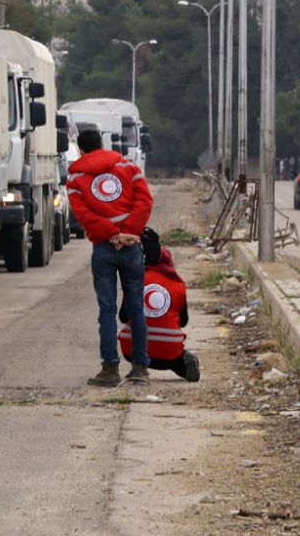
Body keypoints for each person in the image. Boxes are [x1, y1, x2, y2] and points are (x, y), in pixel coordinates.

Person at [67, 129, 153, 386]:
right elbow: (145, 201)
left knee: (107, 310)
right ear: (102, 145)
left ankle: (110, 369)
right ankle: (140, 368)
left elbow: (84, 216)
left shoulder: (75, 178)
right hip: (131, 245)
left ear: (81, 150)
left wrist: (113, 235)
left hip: (104, 248)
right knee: (137, 308)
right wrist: (128, 232)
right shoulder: (128, 166)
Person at [118, 232, 200, 382]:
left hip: (131, 351)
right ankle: (183, 366)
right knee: (176, 359)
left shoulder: (134, 279)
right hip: (168, 353)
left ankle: (139, 368)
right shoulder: (178, 285)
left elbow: (123, 316)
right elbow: (183, 322)